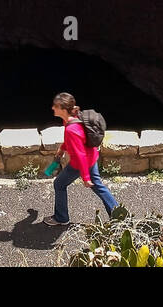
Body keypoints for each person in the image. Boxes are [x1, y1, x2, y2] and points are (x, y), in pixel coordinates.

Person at [43, 92, 119, 226]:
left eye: (56, 106)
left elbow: (80, 154)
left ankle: (61, 217)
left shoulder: (71, 129)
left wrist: (85, 177)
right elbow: (76, 142)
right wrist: (62, 149)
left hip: (81, 163)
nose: (53, 108)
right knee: (98, 186)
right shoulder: (73, 118)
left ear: (63, 109)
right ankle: (118, 214)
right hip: (92, 156)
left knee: (59, 184)